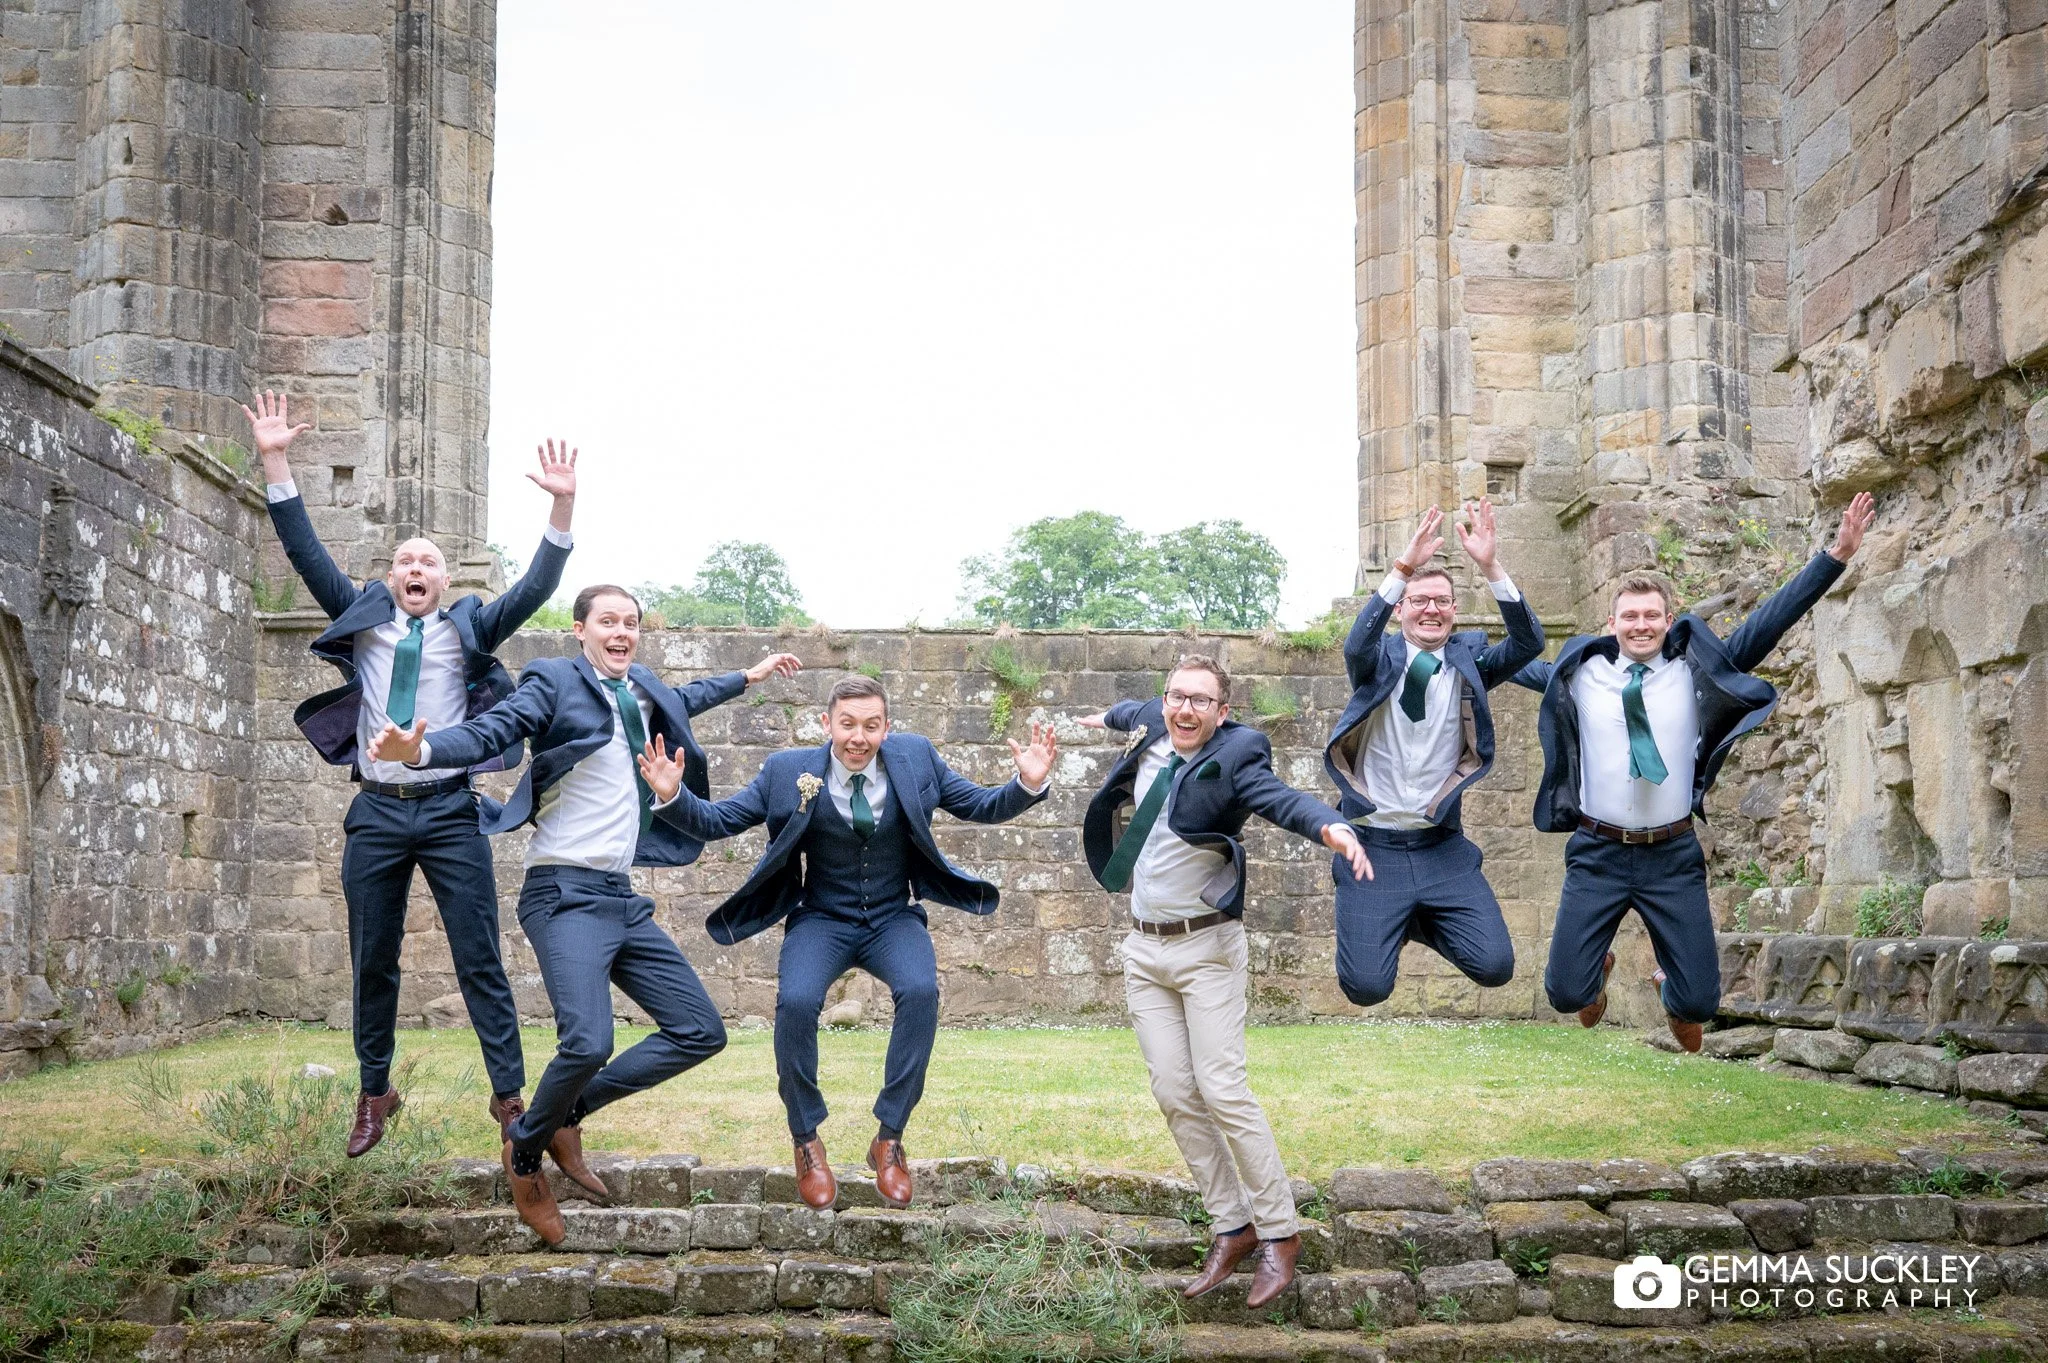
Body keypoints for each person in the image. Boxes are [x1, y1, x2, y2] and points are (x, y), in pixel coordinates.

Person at [368, 584, 801, 1241]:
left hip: (620, 898)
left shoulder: (645, 687)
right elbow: (496, 728)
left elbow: (685, 699)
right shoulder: (554, 681)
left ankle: (564, 1113)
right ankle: (524, 1150)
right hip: (562, 893)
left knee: (699, 1030)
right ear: (580, 630)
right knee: (589, 1040)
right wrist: (421, 752)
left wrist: (749, 675)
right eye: (608, 621)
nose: (621, 631)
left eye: (630, 622)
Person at [244, 390, 576, 1157]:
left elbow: (533, 590)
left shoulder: (469, 628)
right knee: (373, 958)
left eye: (428, 560)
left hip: (451, 810)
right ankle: (374, 1089)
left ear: (445, 579)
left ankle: (510, 1099)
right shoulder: (363, 619)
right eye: (405, 561)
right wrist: (275, 459)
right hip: (378, 813)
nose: (416, 568)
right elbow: (305, 553)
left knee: (478, 958)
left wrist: (560, 512)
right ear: (391, 578)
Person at [647, 674, 1056, 1210]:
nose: (858, 737)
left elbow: (979, 804)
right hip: (822, 917)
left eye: (871, 725)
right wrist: (672, 793)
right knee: (794, 1002)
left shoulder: (916, 759)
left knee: (921, 992)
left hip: (892, 917)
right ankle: (806, 1139)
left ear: (887, 727)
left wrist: (1025, 784)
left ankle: (889, 1138)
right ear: (827, 725)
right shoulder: (787, 771)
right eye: (847, 725)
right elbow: (720, 820)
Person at [1512, 491, 1877, 1051]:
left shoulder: (1693, 671)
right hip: (1597, 852)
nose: (1640, 625)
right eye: (1629, 616)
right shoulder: (1579, 677)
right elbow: (1501, 665)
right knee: (1565, 994)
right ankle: (1597, 969)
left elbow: (1767, 624)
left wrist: (1835, 557)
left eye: (1651, 615)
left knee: (1700, 1004)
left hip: (1672, 855)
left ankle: (1670, 986)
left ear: (1668, 617)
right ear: (1610, 623)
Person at [1078, 655, 1371, 1310]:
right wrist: (1105, 715)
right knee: (1174, 1090)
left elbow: (1280, 799)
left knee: (1222, 1087)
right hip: (1144, 950)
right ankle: (1231, 1224)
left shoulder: (1237, 756)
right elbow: (1133, 713)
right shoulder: (1153, 725)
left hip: (1208, 946)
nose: (1185, 710)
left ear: (1222, 712)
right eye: (1176, 697)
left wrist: (1331, 825)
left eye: (1200, 701)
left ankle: (1279, 1232)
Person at [1322, 498, 1544, 1008]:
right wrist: (1401, 567)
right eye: (1419, 601)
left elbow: (1529, 642)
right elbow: (1357, 644)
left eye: (1441, 601)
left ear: (1453, 610)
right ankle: (1388, 912)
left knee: (1495, 967)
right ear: (1401, 608)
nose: (1431, 610)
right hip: (1370, 846)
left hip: (1440, 847)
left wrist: (1490, 566)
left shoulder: (1472, 665)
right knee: (1366, 988)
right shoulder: (1377, 663)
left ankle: (1410, 913)